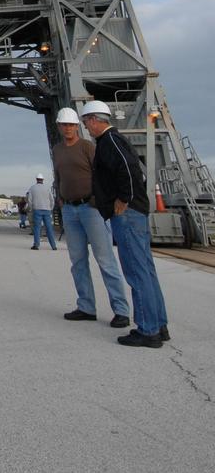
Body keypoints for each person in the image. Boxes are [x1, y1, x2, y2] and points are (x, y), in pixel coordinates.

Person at [81, 100, 169, 349]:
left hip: (127, 215)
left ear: (96, 120)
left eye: (87, 121)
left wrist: (123, 198)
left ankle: (147, 331)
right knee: (147, 271)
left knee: (136, 273)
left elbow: (130, 170)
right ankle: (158, 324)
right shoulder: (113, 141)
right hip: (133, 213)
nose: (86, 126)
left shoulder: (110, 142)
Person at [51, 108, 130, 328]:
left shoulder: (87, 147)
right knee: (77, 262)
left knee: (105, 260)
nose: (67, 128)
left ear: (77, 126)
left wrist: (98, 201)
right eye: (64, 125)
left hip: (91, 208)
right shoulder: (57, 150)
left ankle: (121, 310)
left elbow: (101, 174)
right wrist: (60, 198)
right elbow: (58, 177)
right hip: (69, 209)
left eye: (71, 125)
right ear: (58, 127)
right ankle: (86, 307)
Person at [26, 173, 57, 250]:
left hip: (37, 210)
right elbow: (52, 200)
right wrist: (51, 208)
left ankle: (36, 245)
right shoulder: (47, 188)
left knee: (37, 228)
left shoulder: (32, 188)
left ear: (36, 179)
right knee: (49, 228)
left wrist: (30, 208)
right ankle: (53, 246)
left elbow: (29, 200)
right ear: (43, 179)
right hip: (47, 210)